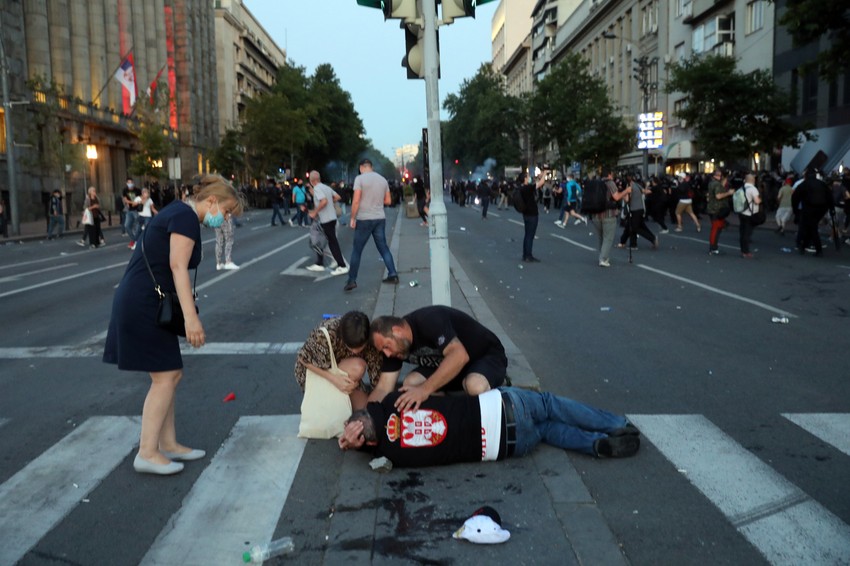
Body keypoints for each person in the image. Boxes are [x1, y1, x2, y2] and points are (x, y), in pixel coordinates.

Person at [102, 174, 244, 475]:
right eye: (227, 211)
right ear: (212, 201)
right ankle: (147, 452)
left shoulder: (179, 212)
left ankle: (167, 444)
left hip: (146, 300)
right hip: (143, 302)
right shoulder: (185, 217)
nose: (226, 219)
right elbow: (177, 266)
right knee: (164, 377)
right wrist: (191, 319)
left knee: (171, 373)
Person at [338, 387, 641, 465]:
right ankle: (615, 423)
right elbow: (366, 403)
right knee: (548, 404)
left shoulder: (393, 456)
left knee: (546, 430)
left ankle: (593, 444)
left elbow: (374, 446)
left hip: (507, 447)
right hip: (501, 408)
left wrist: (356, 446)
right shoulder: (395, 400)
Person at [369, 306, 508, 411]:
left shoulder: (429, 319)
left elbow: (459, 355)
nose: (387, 354)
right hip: (454, 368)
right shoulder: (394, 348)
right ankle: (446, 414)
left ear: (397, 331)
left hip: (484, 356)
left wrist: (424, 390)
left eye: (386, 346)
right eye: (383, 350)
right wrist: (363, 417)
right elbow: (383, 388)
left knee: (474, 386)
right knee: (410, 383)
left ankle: (498, 387)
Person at [295, 311, 385, 411]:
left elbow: (377, 379)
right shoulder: (325, 334)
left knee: (365, 411)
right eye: (350, 348)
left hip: (344, 371)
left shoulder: (371, 340)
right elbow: (303, 358)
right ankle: (328, 402)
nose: (355, 352)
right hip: (317, 369)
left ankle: (343, 397)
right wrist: (335, 379)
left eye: (360, 348)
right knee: (358, 367)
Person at [344, 158, 399, 292]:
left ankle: (352, 280)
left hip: (364, 219)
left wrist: (352, 217)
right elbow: (388, 201)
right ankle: (393, 274)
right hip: (380, 218)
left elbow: (356, 201)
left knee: (357, 250)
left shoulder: (360, 179)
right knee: (383, 247)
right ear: (371, 167)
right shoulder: (382, 180)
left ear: (362, 167)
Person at [305, 170, 349, 275]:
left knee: (331, 243)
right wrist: (329, 202)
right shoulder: (326, 187)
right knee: (321, 241)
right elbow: (337, 197)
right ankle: (320, 263)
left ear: (311, 181)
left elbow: (324, 201)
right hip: (331, 218)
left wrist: (315, 212)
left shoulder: (317, 188)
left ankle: (342, 265)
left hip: (326, 219)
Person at [589, 170, 629, 267]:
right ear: (609, 175)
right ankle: (603, 259)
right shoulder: (610, 183)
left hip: (595, 214)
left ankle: (603, 255)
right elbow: (616, 197)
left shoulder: (595, 183)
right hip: (608, 214)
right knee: (608, 238)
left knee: (601, 237)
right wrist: (627, 191)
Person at [794, 169, 833, 256]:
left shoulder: (804, 185)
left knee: (811, 228)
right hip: (821, 209)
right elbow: (829, 196)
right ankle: (805, 246)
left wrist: (795, 211)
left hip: (809, 209)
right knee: (811, 227)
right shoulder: (822, 184)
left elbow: (795, 198)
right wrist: (831, 208)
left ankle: (814, 248)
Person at [617, 175, 657, 250]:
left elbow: (627, 200)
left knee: (635, 228)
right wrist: (648, 187)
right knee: (631, 226)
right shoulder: (637, 185)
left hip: (634, 210)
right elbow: (645, 192)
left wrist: (622, 194)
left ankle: (651, 238)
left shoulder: (629, 187)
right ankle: (625, 242)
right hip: (640, 209)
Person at [706, 169, 735, 255]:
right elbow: (718, 196)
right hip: (717, 209)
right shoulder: (717, 184)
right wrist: (728, 193)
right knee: (716, 229)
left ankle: (714, 247)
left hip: (713, 208)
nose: (721, 177)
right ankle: (713, 248)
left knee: (717, 228)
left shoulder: (712, 183)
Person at [520, 173, 543, 262]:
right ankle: (528, 256)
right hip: (532, 214)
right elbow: (540, 183)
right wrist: (545, 173)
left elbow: (536, 183)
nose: (529, 178)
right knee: (530, 235)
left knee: (527, 235)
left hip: (525, 213)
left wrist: (539, 177)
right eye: (528, 177)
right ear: (525, 179)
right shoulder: (528, 188)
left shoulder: (521, 188)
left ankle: (525, 254)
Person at [739, 173, 761, 258]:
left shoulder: (742, 188)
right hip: (750, 213)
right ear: (753, 180)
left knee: (742, 232)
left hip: (742, 212)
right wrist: (760, 200)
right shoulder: (753, 189)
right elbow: (756, 201)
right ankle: (746, 251)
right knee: (747, 233)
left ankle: (743, 250)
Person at [122, 178, 142, 249]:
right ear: (126, 183)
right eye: (128, 182)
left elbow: (140, 199)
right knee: (127, 225)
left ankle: (136, 241)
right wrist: (132, 202)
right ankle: (134, 239)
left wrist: (136, 203)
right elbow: (125, 200)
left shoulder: (137, 190)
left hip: (137, 210)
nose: (130, 184)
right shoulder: (125, 190)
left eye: (131, 182)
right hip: (129, 210)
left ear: (133, 183)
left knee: (137, 226)